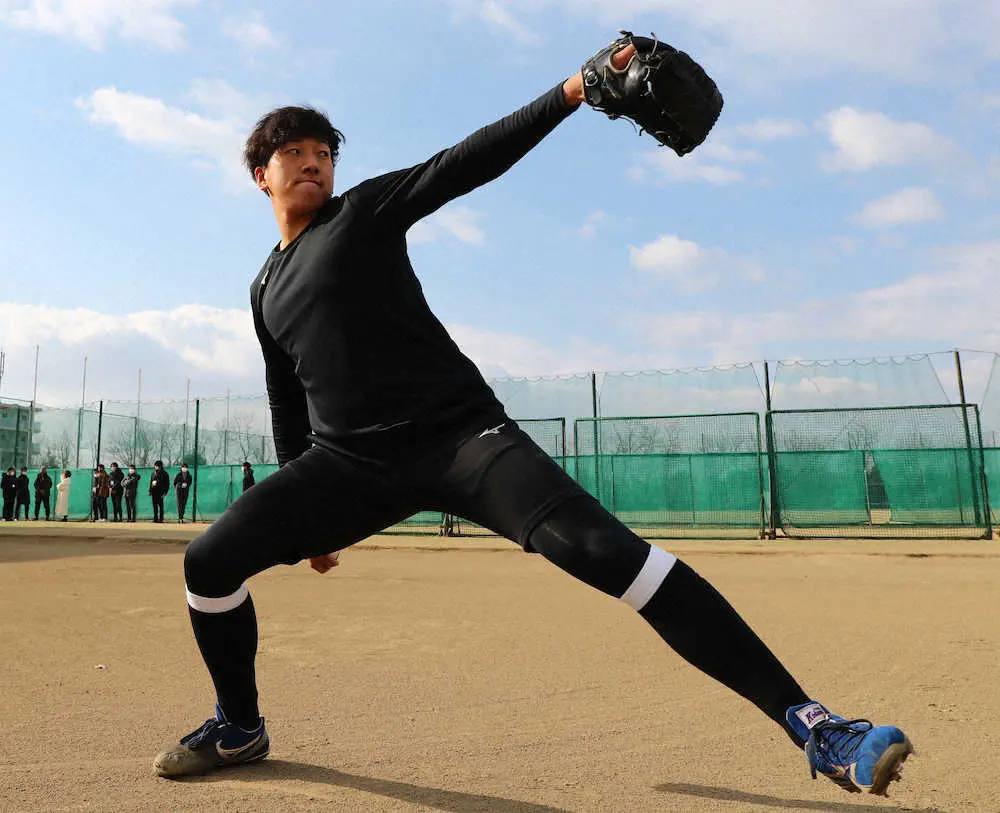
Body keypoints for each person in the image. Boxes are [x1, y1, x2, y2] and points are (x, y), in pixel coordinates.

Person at [152, 47, 913, 799]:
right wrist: (302, 508)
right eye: (293, 152)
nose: (312, 161)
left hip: (461, 438)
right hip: (347, 463)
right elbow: (286, 391)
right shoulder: (263, 287)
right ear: (262, 176)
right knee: (208, 563)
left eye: (322, 150)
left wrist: (573, 90)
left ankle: (817, 727)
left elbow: (464, 161)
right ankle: (241, 726)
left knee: (605, 551)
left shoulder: (364, 213)